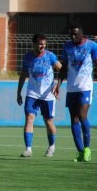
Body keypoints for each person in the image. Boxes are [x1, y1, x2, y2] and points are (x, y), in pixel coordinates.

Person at [54, 22, 97, 162]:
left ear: (81, 33)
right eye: (71, 34)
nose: (73, 37)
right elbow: (64, 67)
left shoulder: (92, 45)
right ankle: (79, 151)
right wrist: (58, 85)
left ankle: (87, 149)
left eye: (75, 34)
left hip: (85, 87)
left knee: (82, 115)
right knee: (74, 119)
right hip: (71, 88)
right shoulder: (67, 46)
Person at [17, 34, 62, 157]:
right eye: (39, 43)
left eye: (43, 43)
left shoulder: (50, 56)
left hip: (48, 95)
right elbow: (23, 74)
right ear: (34, 44)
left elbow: (62, 70)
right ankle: (28, 149)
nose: (42, 46)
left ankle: (52, 146)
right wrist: (18, 92)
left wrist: (57, 85)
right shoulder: (27, 58)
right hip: (32, 93)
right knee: (29, 118)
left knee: (48, 121)